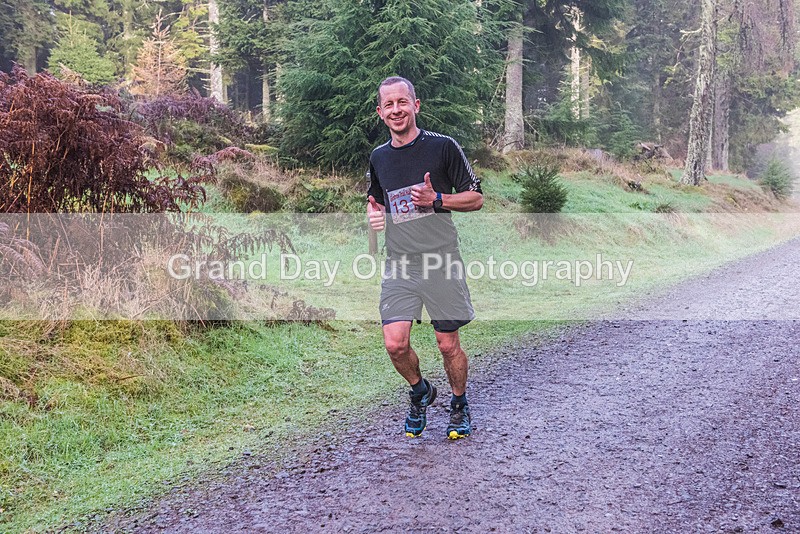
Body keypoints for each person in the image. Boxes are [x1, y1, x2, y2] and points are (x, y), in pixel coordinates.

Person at [366, 76, 483, 439]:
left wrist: (437, 201)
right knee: (394, 343)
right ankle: (420, 391)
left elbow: (476, 198)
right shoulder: (379, 158)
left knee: (447, 344)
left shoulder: (443, 147)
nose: (397, 110)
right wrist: (372, 221)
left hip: (441, 260)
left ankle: (459, 405)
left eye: (403, 102)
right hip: (400, 262)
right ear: (380, 113)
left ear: (416, 105)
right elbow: (376, 206)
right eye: (389, 105)